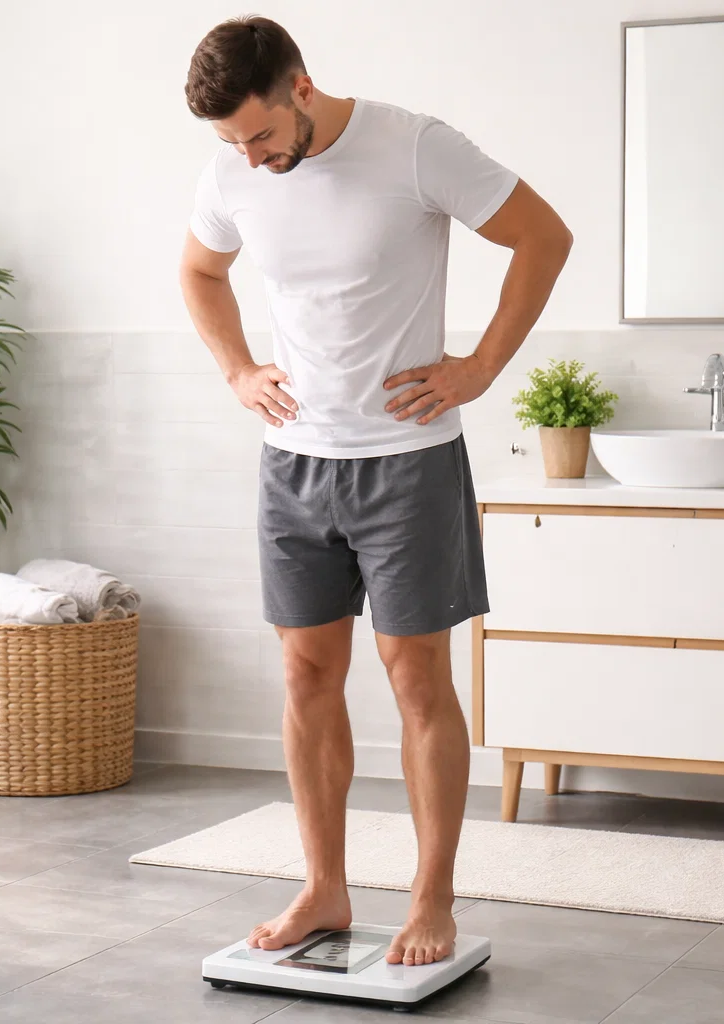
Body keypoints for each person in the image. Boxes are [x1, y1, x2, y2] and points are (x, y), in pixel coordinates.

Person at [178, 15, 573, 968]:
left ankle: (431, 897)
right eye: (233, 143)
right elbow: (199, 270)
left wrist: (479, 365)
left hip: (407, 462)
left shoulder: (414, 145)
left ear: (301, 88)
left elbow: (543, 237)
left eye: (261, 135)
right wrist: (238, 371)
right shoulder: (234, 166)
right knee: (306, 676)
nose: (251, 157)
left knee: (416, 682)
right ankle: (325, 887)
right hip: (296, 460)